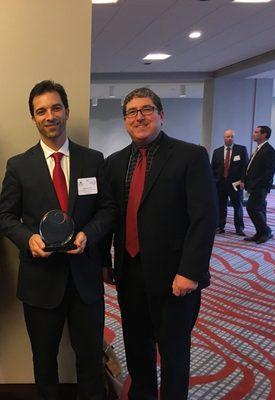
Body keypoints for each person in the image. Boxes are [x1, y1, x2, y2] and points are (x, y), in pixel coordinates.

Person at [0, 80, 115, 400]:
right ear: (33, 118)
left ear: (67, 111)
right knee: (44, 361)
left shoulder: (93, 160)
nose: (50, 116)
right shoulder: (19, 166)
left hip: (84, 281)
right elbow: (5, 217)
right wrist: (28, 239)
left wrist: (88, 234)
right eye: (41, 111)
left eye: (55, 108)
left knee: (90, 359)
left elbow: (107, 210)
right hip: (40, 280)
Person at [102, 87, 217, 400]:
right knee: (137, 347)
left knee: (174, 351)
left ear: (161, 115)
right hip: (130, 273)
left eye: (147, 109)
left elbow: (204, 219)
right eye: (132, 112)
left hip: (175, 276)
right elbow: (109, 217)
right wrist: (105, 262)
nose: (139, 116)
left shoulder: (190, 156)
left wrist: (190, 272)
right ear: (125, 121)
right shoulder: (114, 163)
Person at [241, 125, 275, 244]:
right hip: (254, 186)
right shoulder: (259, 148)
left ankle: (266, 231)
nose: (253, 134)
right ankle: (260, 233)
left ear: (264, 134)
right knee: (256, 208)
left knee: (252, 208)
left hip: (260, 187)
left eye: (256, 132)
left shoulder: (269, 150)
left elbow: (269, 172)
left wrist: (256, 184)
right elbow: (251, 168)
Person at [211, 129, 248, 235]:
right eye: (227, 137)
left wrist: (243, 180)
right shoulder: (217, 151)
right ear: (224, 138)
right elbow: (213, 168)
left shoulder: (241, 150)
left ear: (234, 138)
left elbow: (245, 167)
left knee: (238, 206)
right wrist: (213, 182)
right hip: (220, 183)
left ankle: (239, 228)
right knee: (221, 205)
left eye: (231, 136)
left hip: (235, 183)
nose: (229, 138)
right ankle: (220, 226)